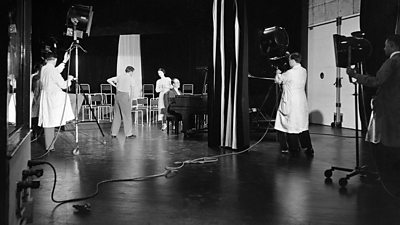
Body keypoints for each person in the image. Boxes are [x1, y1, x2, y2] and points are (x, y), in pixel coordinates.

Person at [347, 35, 400, 171]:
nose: (384, 48)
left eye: (385, 45)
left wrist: (355, 76)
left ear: (392, 46)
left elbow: (376, 81)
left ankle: (385, 170)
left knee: (385, 141)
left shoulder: (392, 62)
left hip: (388, 107)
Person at [274, 52, 314, 156]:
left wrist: (278, 72)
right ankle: (307, 147)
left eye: (289, 60)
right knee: (301, 126)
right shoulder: (304, 71)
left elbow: (278, 80)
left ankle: (292, 148)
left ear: (292, 60)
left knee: (288, 125)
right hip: (301, 101)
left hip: (290, 101)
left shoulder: (290, 73)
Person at [38, 52, 75, 151]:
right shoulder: (52, 70)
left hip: (46, 97)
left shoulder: (44, 69)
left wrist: (64, 61)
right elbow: (63, 85)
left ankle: (49, 146)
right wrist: (70, 79)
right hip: (53, 97)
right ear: (54, 60)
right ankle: (70, 117)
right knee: (70, 98)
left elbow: (55, 71)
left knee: (48, 121)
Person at [107, 66, 137, 139]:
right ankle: (128, 134)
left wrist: (116, 86)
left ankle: (114, 133)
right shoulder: (131, 78)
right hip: (124, 96)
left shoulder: (120, 77)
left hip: (117, 96)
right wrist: (131, 99)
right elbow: (132, 91)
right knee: (127, 115)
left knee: (117, 115)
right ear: (131, 72)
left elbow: (108, 80)